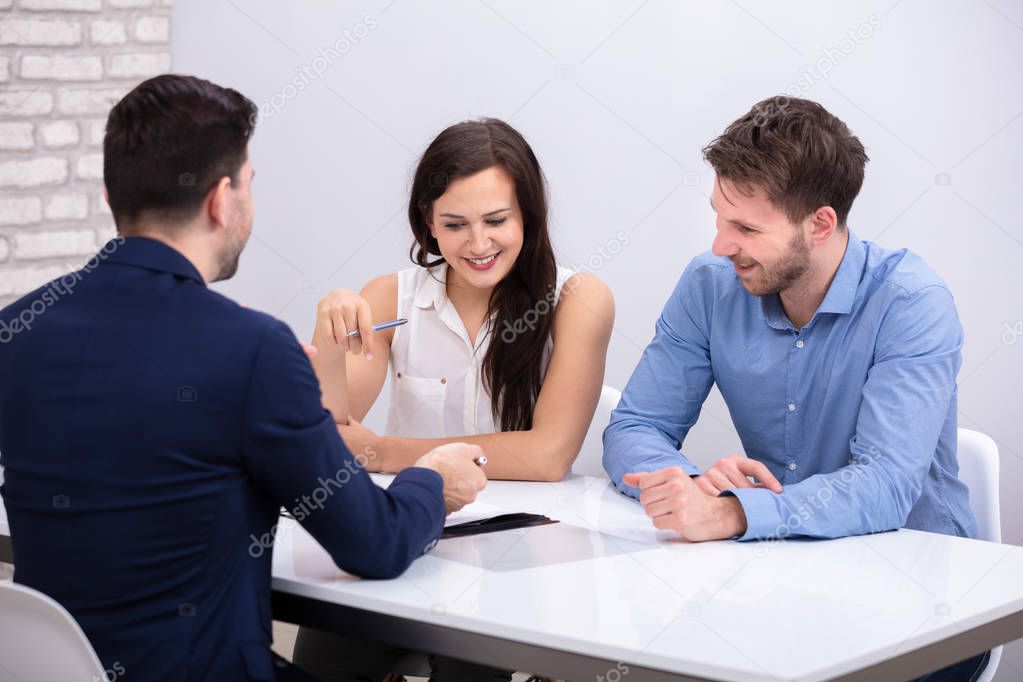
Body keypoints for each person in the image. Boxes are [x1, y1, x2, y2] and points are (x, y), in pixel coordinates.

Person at [0, 74, 486, 682]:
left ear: (109, 193)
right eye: (250, 186)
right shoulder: (251, 348)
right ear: (221, 200)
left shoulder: (16, 330)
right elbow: (374, 545)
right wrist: (428, 482)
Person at [602, 95, 987, 681]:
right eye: (718, 218)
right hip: (777, 582)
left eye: (746, 228)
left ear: (821, 224)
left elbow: (884, 485)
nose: (719, 245)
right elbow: (635, 427)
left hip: (922, 607)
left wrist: (733, 513)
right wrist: (689, 484)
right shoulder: (709, 285)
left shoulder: (912, 303)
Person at [292, 118, 614, 680]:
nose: (479, 243)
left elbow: (546, 456)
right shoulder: (390, 296)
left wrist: (389, 452)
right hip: (410, 532)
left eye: (497, 220)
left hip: (524, 554)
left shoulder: (578, 299)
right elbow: (330, 437)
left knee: (474, 663)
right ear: (427, 223)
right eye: (455, 224)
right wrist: (329, 335)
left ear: (527, 216)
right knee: (327, 646)